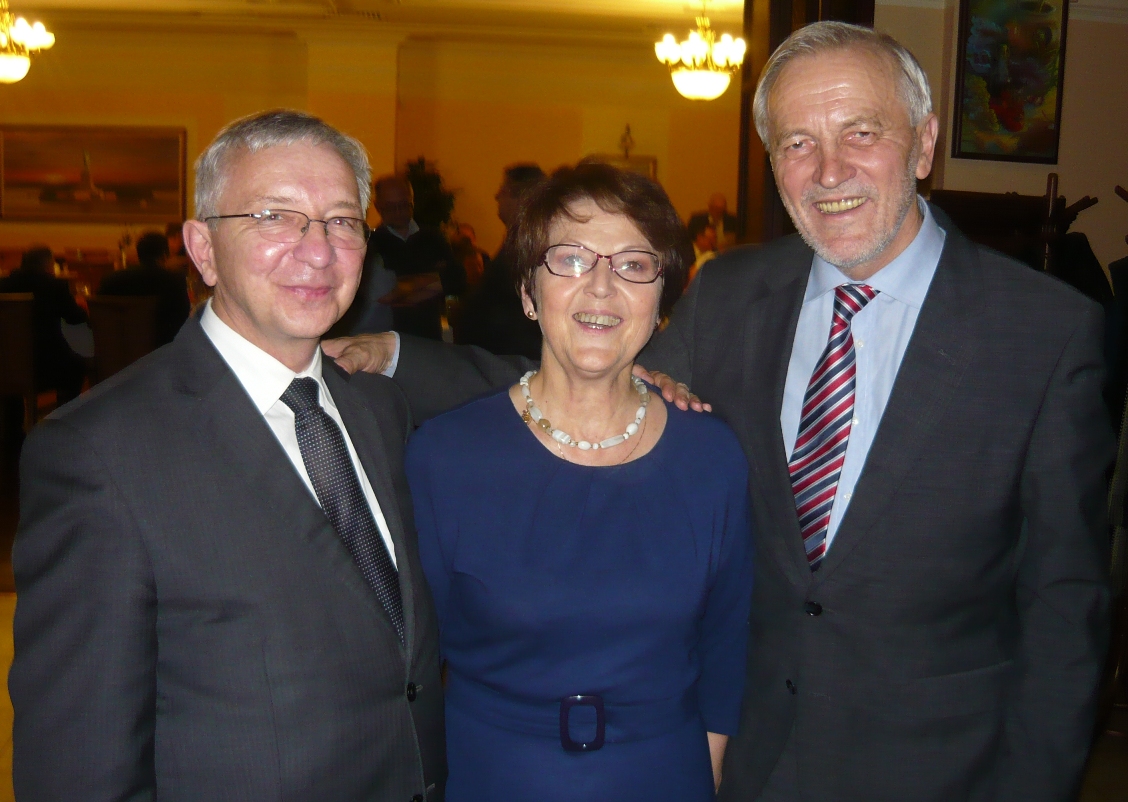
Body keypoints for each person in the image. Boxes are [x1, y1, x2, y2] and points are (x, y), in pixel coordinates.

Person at [323, 21, 1113, 802]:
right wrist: (395, 355)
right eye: (797, 143)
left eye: (861, 132)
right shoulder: (735, 293)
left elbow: (1065, 607)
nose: (829, 169)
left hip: (939, 770)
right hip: (745, 763)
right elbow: (589, 381)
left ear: (925, 141)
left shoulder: (1045, 334)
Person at [10, 110, 445, 801]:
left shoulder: (379, 411)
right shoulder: (98, 454)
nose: (318, 251)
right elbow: (79, 763)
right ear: (203, 248)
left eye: (341, 221)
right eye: (274, 217)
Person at [405, 161, 751, 800]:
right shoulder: (445, 457)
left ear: (661, 301)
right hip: (495, 778)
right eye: (570, 259)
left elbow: (725, 653)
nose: (601, 287)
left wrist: (707, 775)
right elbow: (414, 667)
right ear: (528, 292)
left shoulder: (712, 457)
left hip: (665, 778)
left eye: (634, 265)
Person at [457, 163, 546, 359]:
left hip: (511, 357)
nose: (496, 196)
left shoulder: (529, 245)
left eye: (503, 191)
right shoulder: (517, 239)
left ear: (521, 197)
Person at [0, 245, 88, 403]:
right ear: (48, 265)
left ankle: (12, 418)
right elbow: (76, 318)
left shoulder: (3, 285)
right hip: (45, 367)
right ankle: (63, 414)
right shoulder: (54, 286)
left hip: (5, 365)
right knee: (77, 366)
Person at [98, 230, 191, 345]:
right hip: (161, 350)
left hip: (118, 349)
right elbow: (183, 318)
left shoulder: (110, 280)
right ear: (165, 255)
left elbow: (99, 318)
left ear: (138, 255)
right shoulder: (174, 281)